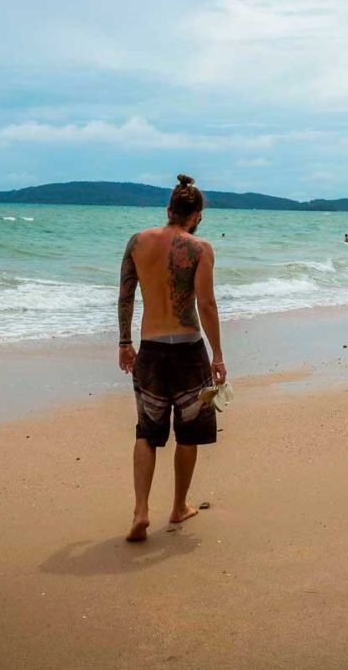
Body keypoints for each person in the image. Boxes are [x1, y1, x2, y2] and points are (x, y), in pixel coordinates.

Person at [117, 173, 227, 542]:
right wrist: (218, 355)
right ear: (197, 215)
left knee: (147, 432)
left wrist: (124, 343)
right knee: (188, 431)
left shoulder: (137, 242)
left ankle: (140, 511)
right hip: (188, 350)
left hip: (150, 349)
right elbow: (206, 304)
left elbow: (125, 296)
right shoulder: (200, 248)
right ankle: (179, 507)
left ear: (168, 210)